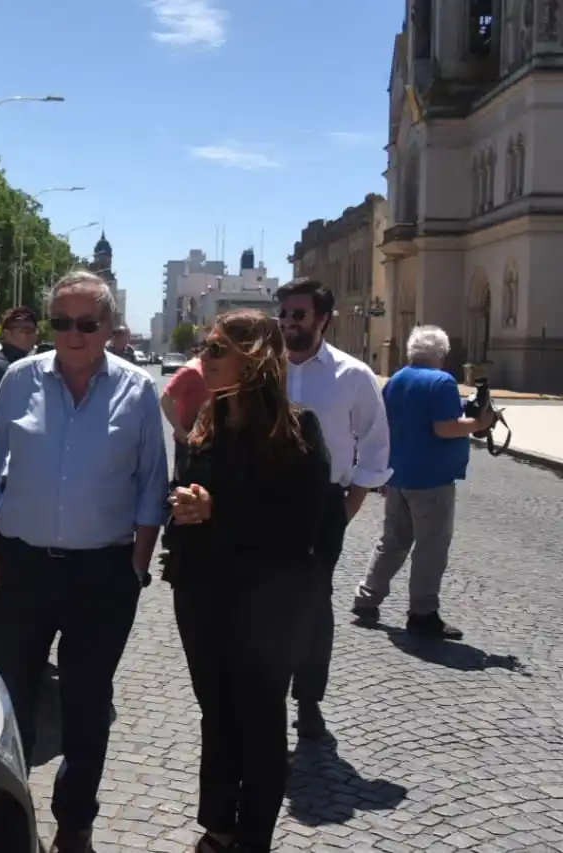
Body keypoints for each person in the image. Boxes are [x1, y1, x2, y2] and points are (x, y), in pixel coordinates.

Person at [0, 270, 168, 853]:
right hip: (21, 567)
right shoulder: (18, 381)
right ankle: (5, 817)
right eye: (61, 322)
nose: (73, 334)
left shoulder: (136, 390)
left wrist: (136, 565)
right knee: (10, 698)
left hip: (101, 575)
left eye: (86, 323)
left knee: (85, 707)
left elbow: (152, 485)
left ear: (108, 327)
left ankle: (75, 826)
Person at [164, 309, 330, 853]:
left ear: (253, 358)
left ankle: (252, 837)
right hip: (203, 594)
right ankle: (219, 825)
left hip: (269, 604)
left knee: (259, 718)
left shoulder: (298, 429)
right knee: (216, 710)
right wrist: (183, 509)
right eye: (205, 348)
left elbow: (302, 526)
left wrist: (217, 510)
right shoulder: (204, 424)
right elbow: (186, 503)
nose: (203, 360)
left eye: (215, 350)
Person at [277, 278, 390, 740]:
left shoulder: (353, 376)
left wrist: (346, 508)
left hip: (323, 505)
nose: (288, 323)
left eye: (298, 315)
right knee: (257, 599)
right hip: (263, 503)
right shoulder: (263, 369)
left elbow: (376, 447)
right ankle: (260, 695)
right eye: (282, 314)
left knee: (312, 605)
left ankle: (308, 700)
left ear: (322, 319)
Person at [351, 325, 493, 640]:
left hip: (399, 474)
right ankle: (423, 612)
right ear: (441, 354)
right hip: (432, 478)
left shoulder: (396, 380)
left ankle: (366, 598)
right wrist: (480, 422)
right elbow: (445, 428)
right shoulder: (442, 381)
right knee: (431, 547)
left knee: (393, 540)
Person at [0, 306, 38, 414]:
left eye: (33, 331)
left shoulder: (27, 365)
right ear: (7, 334)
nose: (31, 335)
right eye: (25, 331)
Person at [160, 347, 209, 476]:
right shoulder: (191, 370)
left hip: (207, 436)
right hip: (189, 438)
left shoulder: (210, 369)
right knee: (186, 482)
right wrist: (179, 430)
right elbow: (166, 398)